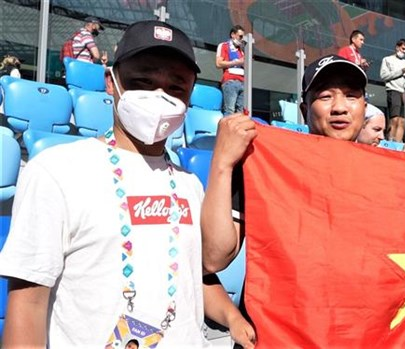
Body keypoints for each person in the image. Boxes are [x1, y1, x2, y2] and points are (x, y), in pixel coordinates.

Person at [0, 20, 250, 348]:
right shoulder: (55, 171)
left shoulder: (189, 184)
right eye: (142, 82)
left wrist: (233, 318)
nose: (159, 96)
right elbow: (28, 304)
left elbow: (197, 273)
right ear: (111, 82)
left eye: (176, 87)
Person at [201, 54, 367, 273]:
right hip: (281, 305)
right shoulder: (265, 165)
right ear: (304, 110)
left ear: (364, 108)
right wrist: (222, 164)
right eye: (325, 96)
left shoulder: (385, 179)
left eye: (351, 96)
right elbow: (214, 258)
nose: (339, 107)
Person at [380, 39, 405, 143]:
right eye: (403, 48)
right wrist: (400, 72)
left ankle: (398, 144)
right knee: (394, 118)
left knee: (402, 121)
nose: (404, 51)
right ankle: (390, 140)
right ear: (397, 47)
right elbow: (383, 75)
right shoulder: (387, 59)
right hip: (393, 90)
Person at [216, 25, 246, 115]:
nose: (242, 39)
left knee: (241, 113)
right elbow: (218, 64)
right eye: (240, 36)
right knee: (229, 111)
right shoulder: (224, 46)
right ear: (233, 34)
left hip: (243, 83)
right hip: (230, 81)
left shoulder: (242, 50)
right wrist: (236, 62)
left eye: (243, 37)